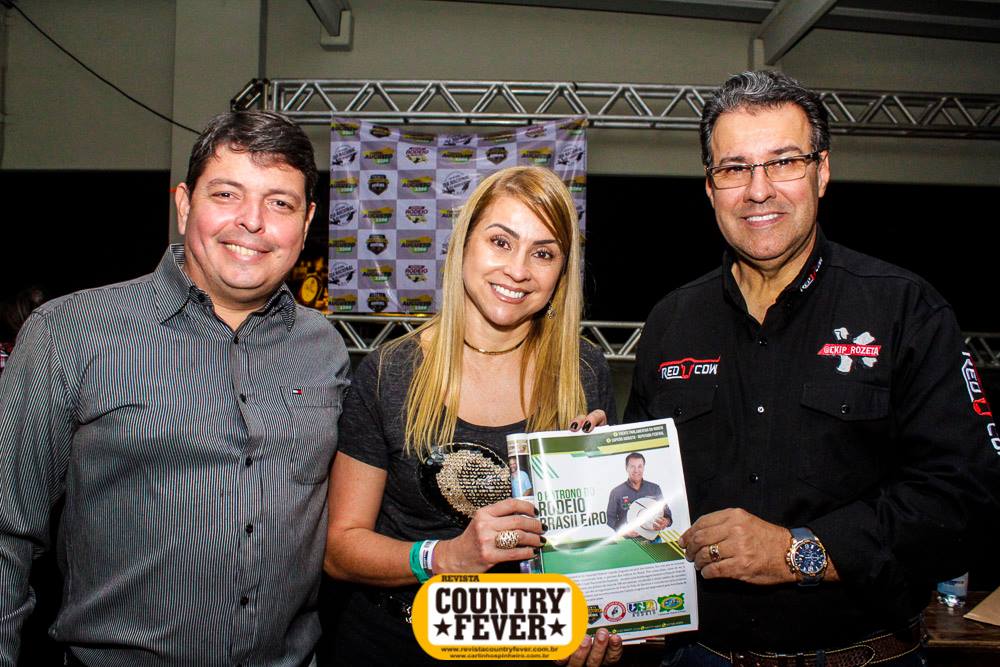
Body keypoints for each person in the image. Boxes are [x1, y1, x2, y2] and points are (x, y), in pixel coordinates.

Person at [625, 71, 1000, 665]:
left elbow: (966, 498)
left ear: (821, 172)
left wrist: (798, 552)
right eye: (734, 168)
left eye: (784, 162)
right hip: (699, 656)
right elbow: (642, 496)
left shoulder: (905, 309)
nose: (758, 190)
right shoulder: (672, 321)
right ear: (710, 186)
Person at [0, 110, 350, 665]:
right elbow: (6, 531)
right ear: (185, 205)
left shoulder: (324, 347)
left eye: (280, 203)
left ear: (306, 222)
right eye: (227, 194)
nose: (252, 221)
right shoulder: (68, 332)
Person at [324, 166, 622, 666]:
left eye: (543, 253)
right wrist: (444, 557)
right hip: (395, 645)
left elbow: (593, 547)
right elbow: (341, 549)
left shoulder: (583, 370)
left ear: (561, 272)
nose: (518, 270)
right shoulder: (390, 372)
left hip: (529, 647)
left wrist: (593, 632)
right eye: (501, 242)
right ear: (463, 244)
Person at [605, 452, 671, 536]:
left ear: (643, 467)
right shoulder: (616, 492)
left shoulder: (655, 489)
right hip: (628, 540)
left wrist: (666, 521)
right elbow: (610, 518)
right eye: (632, 466)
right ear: (626, 468)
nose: (636, 470)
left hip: (654, 539)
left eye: (639, 466)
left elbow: (667, 513)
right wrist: (623, 530)